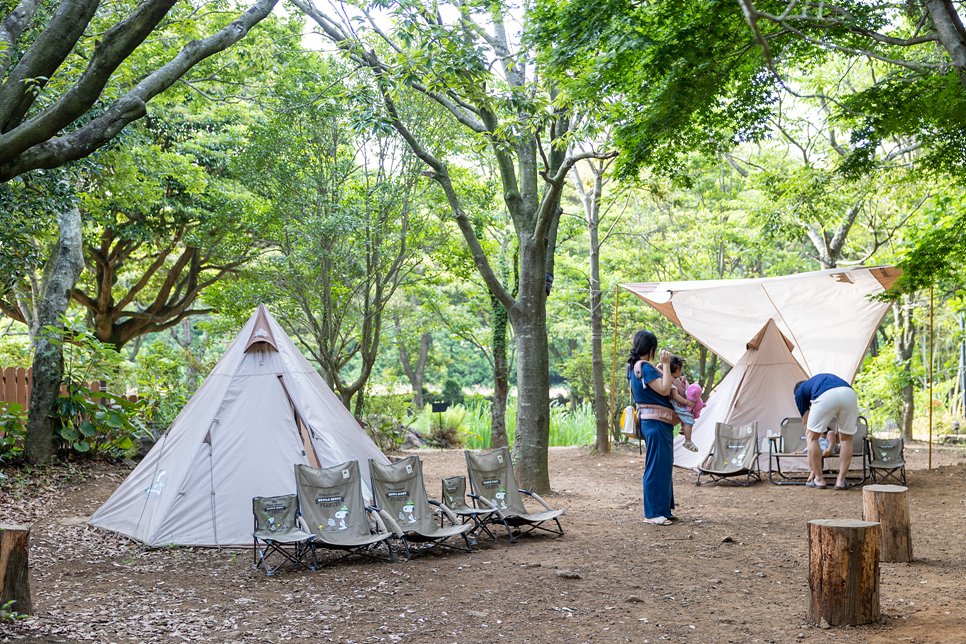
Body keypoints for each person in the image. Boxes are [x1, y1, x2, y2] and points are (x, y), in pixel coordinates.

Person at [627, 330, 676, 526]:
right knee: (656, 466)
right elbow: (664, 389)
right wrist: (665, 364)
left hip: (653, 422)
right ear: (652, 349)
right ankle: (653, 513)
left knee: (662, 465)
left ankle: (662, 509)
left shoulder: (633, 367)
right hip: (656, 423)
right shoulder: (644, 367)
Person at [794, 373, 859, 490]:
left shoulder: (799, 392)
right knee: (847, 439)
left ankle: (819, 479)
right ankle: (841, 481)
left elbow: (806, 423)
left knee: (811, 437)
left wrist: (811, 442)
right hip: (849, 393)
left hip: (826, 396)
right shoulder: (817, 381)